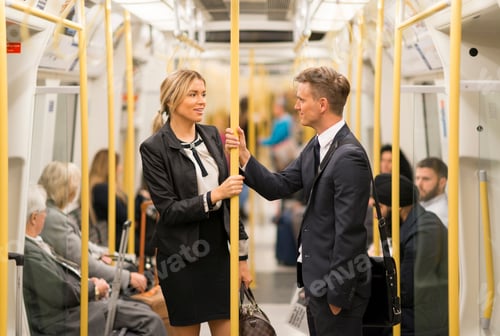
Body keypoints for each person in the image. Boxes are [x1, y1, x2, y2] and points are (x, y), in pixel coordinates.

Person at [226, 66, 372, 336]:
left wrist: (336, 297)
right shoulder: (317, 146)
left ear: (323, 104)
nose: (296, 106)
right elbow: (278, 185)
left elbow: (349, 232)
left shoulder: (349, 157)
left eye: (301, 99)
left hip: (335, 289)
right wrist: (245, 157)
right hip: (316, 282)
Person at [139, 69, 252, 336]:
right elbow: (168, 210)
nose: (201, 101)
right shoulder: (154, 148)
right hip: (180, 256)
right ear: (171, 100)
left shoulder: (212, 135)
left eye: (203, 94)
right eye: (193, 94)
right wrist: (214, 195)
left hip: (218, 253)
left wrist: (242, 257)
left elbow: (229, 204)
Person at [23, 184, 167, 336]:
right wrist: (94, 288)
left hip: (72, 309)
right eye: (44, 212)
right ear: (34, 218)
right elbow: (60, 292)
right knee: (150, 320)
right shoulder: (30, 252)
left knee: (143, 309)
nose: (46, 215)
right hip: (65, 320)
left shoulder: (36, 245)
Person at [38, 161, 148, 294]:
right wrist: (127, 277)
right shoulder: (54, 219)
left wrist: (104, 253)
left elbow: (83, 246)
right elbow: (87, 264)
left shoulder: (54, 215)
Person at [373, 174, 448, 335]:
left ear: (398, 207)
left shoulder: (424, 231)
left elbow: (406, 292)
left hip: (425, 319)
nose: (375, 215)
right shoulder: (412, 226)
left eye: (379, 208)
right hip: (416, 311)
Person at [89, 149, 128, 248]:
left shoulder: (101, 188)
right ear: (109, 167)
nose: (121, 168)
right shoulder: (102, 189)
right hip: (112, 242)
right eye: (118, 165)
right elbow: (124, 215)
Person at [260, 94, 297, 171]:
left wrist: (262, 141)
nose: (273, 110)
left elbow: (276, 139)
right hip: (283, 153)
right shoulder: (281, 120)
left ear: (280, 108)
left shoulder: (284, 121)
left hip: (283, 154)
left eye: (275, 107)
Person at [415, 157, 448, 227]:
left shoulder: (439, 214)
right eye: (417, 178)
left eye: (426, 179)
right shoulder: (425, 204)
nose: (419, 184)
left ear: (442, 182)